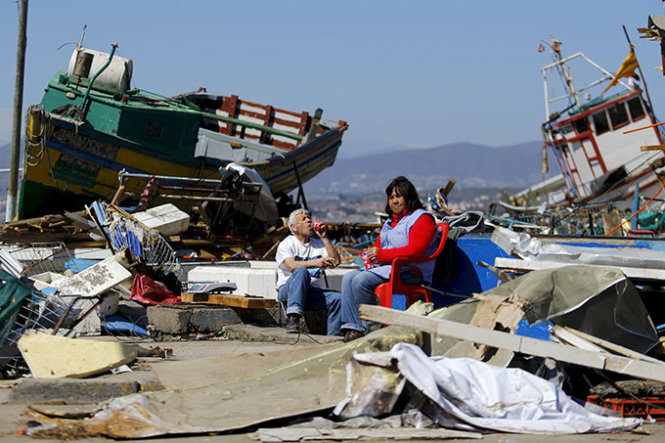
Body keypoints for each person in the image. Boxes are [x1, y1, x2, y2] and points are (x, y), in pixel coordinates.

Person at [340, 176, 438, 342]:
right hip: (389, 268)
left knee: (361, 280)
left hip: (411, 270)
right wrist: (372, 253)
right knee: (348, 277)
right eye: (391, 197)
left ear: (408, 198)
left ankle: (371, 327)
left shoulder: (422, 219)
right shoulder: (390, 222)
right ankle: (353, 328)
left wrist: (381, 255)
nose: (394, 201)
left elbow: (416, 251)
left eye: (398, 196)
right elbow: (379, 246)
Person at [276, 208, 342, 335]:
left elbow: (336, 262)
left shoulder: (318, 244)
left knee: (339, 299)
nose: (309, 221)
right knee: (301, 271)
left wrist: (324, 237)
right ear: (294, 227)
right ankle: (293, 317)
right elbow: (291, 265)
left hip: (312, 293)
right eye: (304, 219)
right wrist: (315, 263)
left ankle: (333, 338)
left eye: (309, 218)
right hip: (288, 292)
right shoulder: (287, 244)